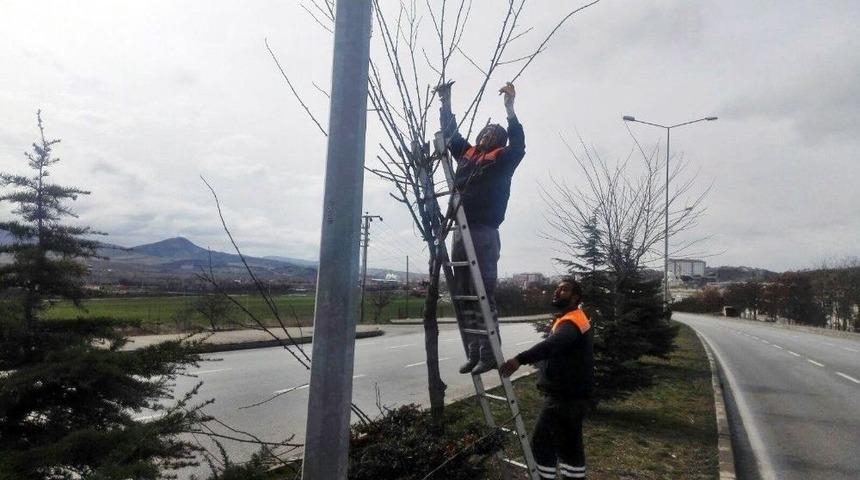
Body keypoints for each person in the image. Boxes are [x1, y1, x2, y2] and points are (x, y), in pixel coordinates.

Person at [434, 80, 526, 375]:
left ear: (500, 141)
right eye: (485, 132)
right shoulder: (468, 155)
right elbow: (451, 135)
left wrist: (510, 111)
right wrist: (445, 104)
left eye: (494, 134)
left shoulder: (502, 160)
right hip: (459, 229)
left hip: (484, 232)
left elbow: (520, 146)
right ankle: (474, 351)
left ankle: (489, 353)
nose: (487, 135)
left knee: (482, 292)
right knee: (463, 294)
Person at [500, 278, 594, 480]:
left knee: (542, 445)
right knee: (570, 448)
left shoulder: (572, 322)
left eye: (564, 290)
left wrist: (520, 359)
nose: (557, 292)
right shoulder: (572, 318)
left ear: (575, 297)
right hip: (571, 398)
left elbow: (553, 344)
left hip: (563, 400)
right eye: (557, 289)